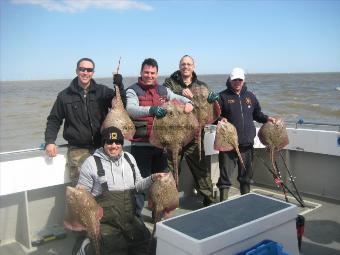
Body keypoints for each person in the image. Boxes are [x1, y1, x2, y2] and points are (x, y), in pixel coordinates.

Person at [74, 126, 165, 255]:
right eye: (109, 142)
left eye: (118, 142)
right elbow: (84, 195)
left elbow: (138, 185)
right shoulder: (91, 163)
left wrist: (152, 178)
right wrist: (80, 193)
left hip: (130, 218)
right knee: (114, 249)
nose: (114, 146)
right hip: (106, 223)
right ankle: (87, 247)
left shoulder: (129, 158)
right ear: (103, 144)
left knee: (149, 246)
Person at [126, 58, 194, 217]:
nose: (149, 76)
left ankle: (160, 216)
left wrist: (189, 104)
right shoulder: (133, 90)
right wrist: (152, 110)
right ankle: (137, 219)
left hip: (161, 144)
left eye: (152, 73)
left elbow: (180, 98)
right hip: (141, 145)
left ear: (157, 74)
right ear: (141, 72)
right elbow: (130, 109)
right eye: (146, 72)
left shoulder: (163, 90)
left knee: (162, 182)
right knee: (141, 183)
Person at [44, 57, 126, 185]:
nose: (85, 73)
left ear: (93, 73)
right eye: (82, 69)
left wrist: (119, 85)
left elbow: (121, 105)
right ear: (77, 71)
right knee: (81, 192)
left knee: (107, 186)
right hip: (78, 150)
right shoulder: (64, 96)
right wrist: (50, 141)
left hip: (102, 148)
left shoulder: (102, 91)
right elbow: (54, 120)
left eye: (89, 70)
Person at [163, 55, 218, 207]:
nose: (186, 66)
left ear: (193, 66)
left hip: (194, 136)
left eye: (188, 64)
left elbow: (208, 110)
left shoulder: (202, 86)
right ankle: (168, 204)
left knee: (201, 169)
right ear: (179, 66)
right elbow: (164, 100)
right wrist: (181, 93)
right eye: (183, 64)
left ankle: (210, 200)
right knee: (172, 169)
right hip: (174, 135)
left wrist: (207, 100)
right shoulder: (170, 83)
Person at [217, 67, 276, 200]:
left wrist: (267, 118)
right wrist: (220, 119)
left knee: (246, 177)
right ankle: (222, 202)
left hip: (247, 145)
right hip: (228, 145)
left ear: (243, 80)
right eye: (235, 79)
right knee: (225, 177)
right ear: (230, 80)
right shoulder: (222, 96)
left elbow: (257, 114)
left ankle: (246, 200)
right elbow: (214, 116)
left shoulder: (250, 96)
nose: (237, 82)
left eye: (240, 79)